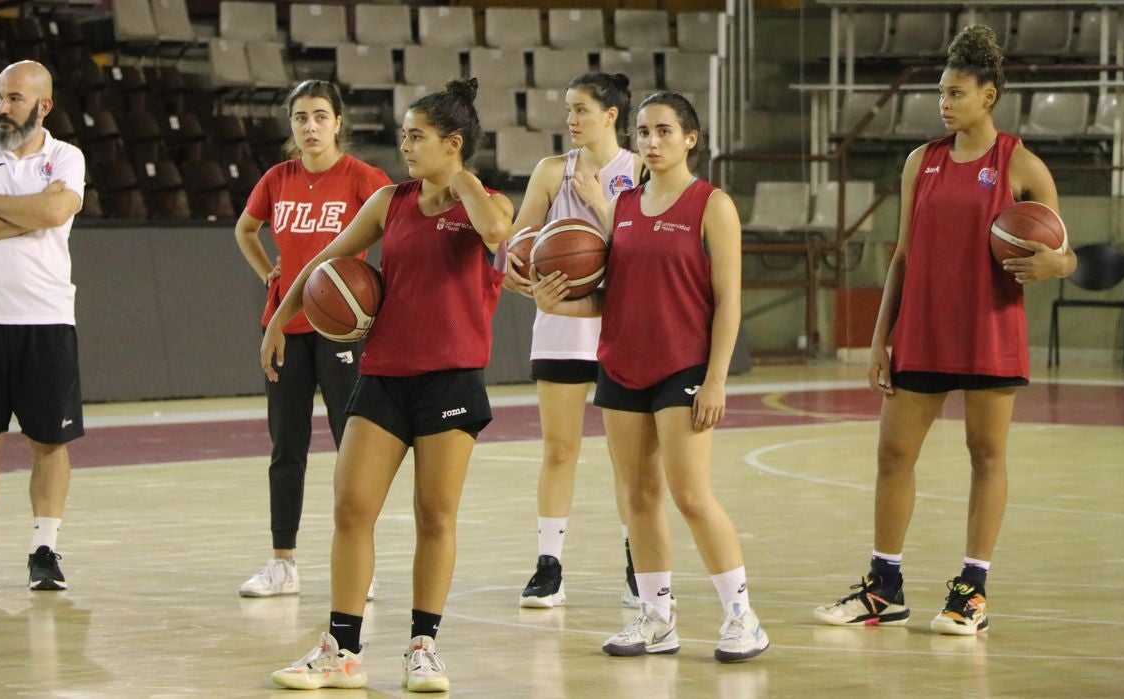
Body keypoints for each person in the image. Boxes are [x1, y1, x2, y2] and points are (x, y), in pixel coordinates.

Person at [812, 25, 1075, 636]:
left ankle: (971, 592)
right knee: (893, 454)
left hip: (989, 328)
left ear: (989, 95)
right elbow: (902, 255)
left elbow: (1066, 252)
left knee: (986, 456)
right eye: (941, 92)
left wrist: (1052, 263)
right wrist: (880, 337)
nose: (945, 102)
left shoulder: (1021, 164)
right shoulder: (920, 163)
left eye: (957, 92)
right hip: (924, 330)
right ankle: (884, 587)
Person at [266, 78, 512, 691]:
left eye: (417, 136)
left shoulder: (486, 202)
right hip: (382, 377)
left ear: (452, 143)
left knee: (435, 515)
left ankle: (423, 647)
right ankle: (340, 651)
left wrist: (459, 180)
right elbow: (323, 262)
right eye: (403, 134)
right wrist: (278, 321)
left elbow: (496, 233)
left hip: (451, 379)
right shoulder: (389, 201)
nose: (405, 145)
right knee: (351, 508)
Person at [533, 91, 769, 663]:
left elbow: (729, 302)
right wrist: (555, 302)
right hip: (621, 365)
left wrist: (716, 379)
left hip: (683, 366)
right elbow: (613, 298)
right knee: (638, 497)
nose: (652, 142)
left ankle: (742, 616)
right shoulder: (628, 206)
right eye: (643, 132)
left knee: (690, 495)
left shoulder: (712, 205)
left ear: (691, 139)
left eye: (664, 131)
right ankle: (657, 616)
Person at [503, 72, 666, 609]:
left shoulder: (640, 169)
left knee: (631, 461)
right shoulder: (554, 170)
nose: (571, 120)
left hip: (623, 326)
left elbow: (647, 247)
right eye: (568, 110)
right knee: (559, 449)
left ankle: (634, 562)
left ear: (612, 116)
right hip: (563, 325)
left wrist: (602, 205)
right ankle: (549, 565)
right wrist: (518, 271)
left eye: (581, 110)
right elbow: (520, 242)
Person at [234, 80, 391, 599]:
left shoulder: (364, 178)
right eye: (301, 117)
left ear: (339, 122)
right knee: (287, 445)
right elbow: (245, 229)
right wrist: (267, 277)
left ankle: (358, 561)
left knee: (354, 445)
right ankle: (283, 562)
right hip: (285, 325)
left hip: (341, 328)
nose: (310, 126)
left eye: (320, 116)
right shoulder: (278, 178)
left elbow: (399, 229)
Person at [0, 61, 85, 591]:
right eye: (0, 97)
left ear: (43, 106)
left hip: (46, 320)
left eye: (16, 99)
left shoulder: (65, 156)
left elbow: (54, 215)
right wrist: (22, 212)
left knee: (49, 441)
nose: (3, 108)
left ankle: (44, 549)